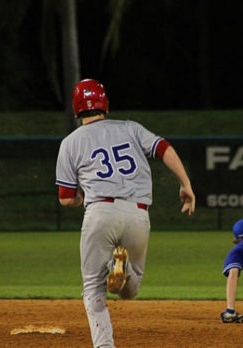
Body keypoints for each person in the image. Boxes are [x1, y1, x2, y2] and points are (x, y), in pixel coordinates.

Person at [55, 78, 196, 347]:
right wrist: (185, 184)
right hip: (137, 213)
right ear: (104, 103)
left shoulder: (70, 143)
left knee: (94, 290)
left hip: (100, 213)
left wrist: (83, 194)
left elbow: (65, 198)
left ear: (76, 107)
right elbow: (163, 147)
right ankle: (122, 268)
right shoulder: (130, 128)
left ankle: (105, 345)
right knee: (130, 291)